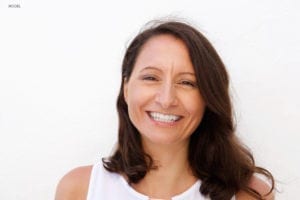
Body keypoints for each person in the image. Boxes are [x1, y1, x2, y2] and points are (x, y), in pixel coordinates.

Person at [55, 20, 275, 200]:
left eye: (187, 82)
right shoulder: (79, 189)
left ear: (208, 96)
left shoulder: (250, 195)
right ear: (126, 88)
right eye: (151, 78)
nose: (167, 99)